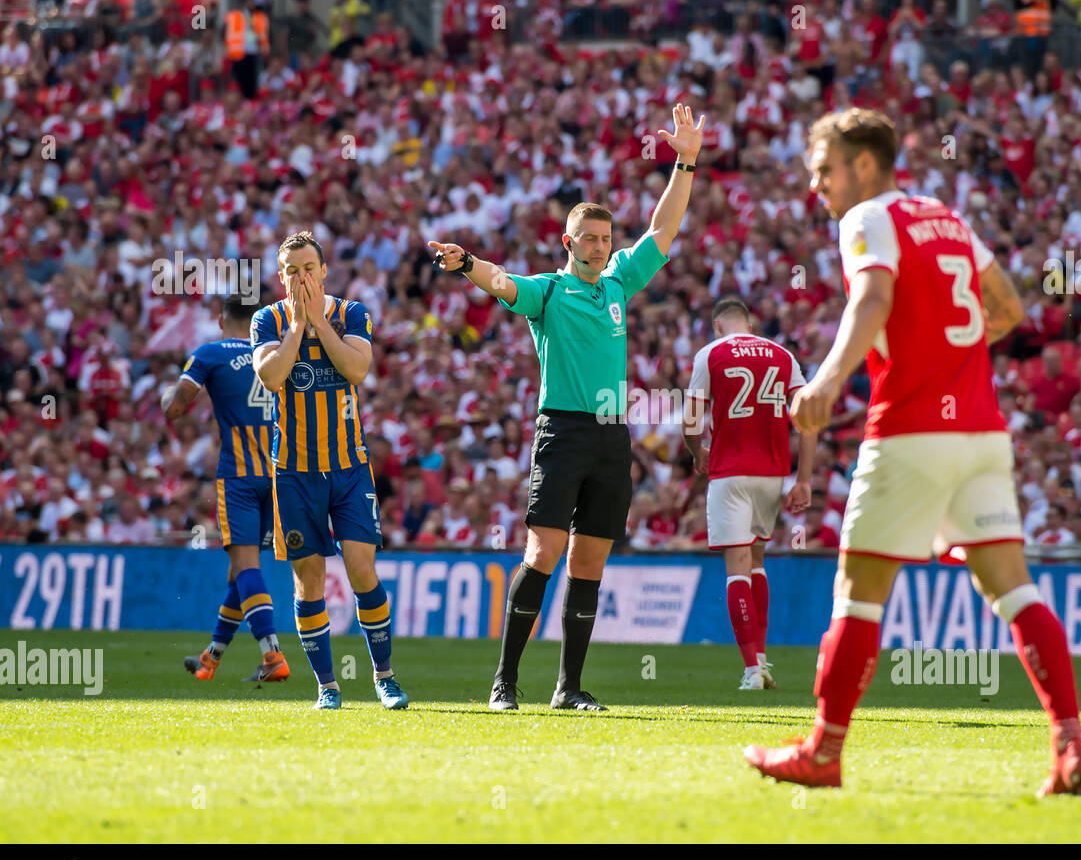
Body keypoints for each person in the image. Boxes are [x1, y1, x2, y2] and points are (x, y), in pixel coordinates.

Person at [744, 108, 1081, 795]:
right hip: (982, 435)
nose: (819, 187)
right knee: (1014, 590)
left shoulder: (868, 219)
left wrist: (826, 379)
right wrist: (946, 352)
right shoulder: (947, 217)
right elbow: (1011, 309)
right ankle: (1069, 741)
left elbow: (872, 299)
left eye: (825, 171)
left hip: (909, 434)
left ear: (865, 165)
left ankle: (823, 750)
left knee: (858, 598)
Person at [428, 104, 704, 713]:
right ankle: (504, 683)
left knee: (589, 561)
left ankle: (568, 689)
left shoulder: (618, 284)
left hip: (611, 437)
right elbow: (503, 282)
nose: (602, 247)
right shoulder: (549, 291)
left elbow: (664, 229)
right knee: (543, 552)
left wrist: (684, 160)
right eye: (593, 238)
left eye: (608, 239)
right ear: (569, 241)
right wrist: (468, 264)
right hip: (562, 433)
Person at [251, 231, 409, 711]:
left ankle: (385, 677)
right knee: (309, 580)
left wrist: (319, 321)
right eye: (292, 271)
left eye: (309, 269)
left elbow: (358, 370)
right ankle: (327, 686)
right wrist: (299, 327)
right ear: (281, 278)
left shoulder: (351, 313)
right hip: (294, 472)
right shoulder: (268, 320)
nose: (302, 277)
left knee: (362, 569)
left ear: (323, 271)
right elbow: (272, 377)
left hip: (348, 468)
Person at [682, 296, 815, 691]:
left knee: (737, 565)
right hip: (772, 474)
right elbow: (808, 422)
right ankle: (761, 660)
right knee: (757, 559)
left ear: (718, 326)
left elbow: (691, 422)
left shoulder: (711, 354)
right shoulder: (783, 356)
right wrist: (803, 479)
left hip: (730, 472)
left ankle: (752, 670)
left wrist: (696, 451)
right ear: (750, 325)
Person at [164, 295, 289, 684]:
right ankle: (211, 658)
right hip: (281, 475)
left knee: (246, 566)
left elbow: (177, 407)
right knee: (240, 572)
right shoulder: (278, 353)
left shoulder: (211, 354)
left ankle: (271, 654)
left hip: (238, 476)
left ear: (222, 322)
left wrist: (167, 395)